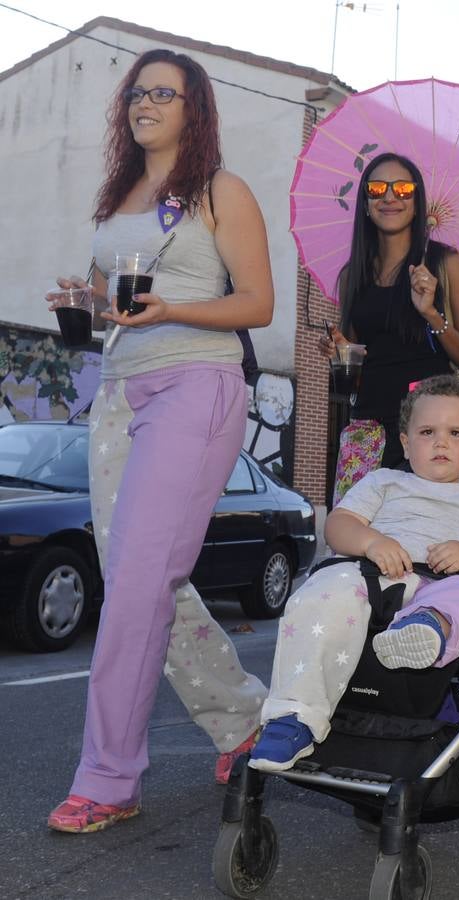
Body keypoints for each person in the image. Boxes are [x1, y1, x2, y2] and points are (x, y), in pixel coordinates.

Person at [46, 49, 276, 832]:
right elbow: (117, 294)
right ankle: (245, 718)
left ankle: (108, 777)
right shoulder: (120, 195)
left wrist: (173, 310)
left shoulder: (221, 191)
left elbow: (260, 303)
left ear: (193, 109)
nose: (147, 102)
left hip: (196, 386)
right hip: (119, 389)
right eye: (138, 91)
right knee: (142, 580)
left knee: (141, 583)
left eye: (164, 93)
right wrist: (86, 298)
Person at [250, 374, 459, 771]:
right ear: (406, 443)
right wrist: (370, 542)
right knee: (320, 592)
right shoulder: (384, 482)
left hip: (439, 585)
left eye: (456, 433)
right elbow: (338, 525)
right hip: (372, 577)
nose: (441, 442)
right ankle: (292, 716)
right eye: (427, 432)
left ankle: (423, 629)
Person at [321, 152, 459, 504]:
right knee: (355, 534)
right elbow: (356, 368)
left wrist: (431, 314)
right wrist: (340, 350)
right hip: (367, 430)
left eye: (403, 189)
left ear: (417, 200)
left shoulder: (445, 264)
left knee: (421, 539)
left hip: (429, 430)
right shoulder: (353, 275)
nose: (390, 197)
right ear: (365, 203)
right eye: (377, 188)